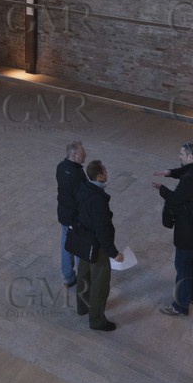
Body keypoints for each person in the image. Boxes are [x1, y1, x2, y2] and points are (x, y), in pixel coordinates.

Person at [154, 141, 193, 317]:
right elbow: (187, 171)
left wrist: (162, 189)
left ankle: (180, 305)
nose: (179, 156)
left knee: (183, 268)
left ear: (190, 156)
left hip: (187, 233)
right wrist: (170, 173)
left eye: (181, 154)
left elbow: (175, 199)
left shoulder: (189, 180)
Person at [73, 159, 118, 331]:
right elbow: (102, 230)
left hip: (84, 242)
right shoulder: (98, 199)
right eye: (105, 171)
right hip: (97, 246)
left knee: (83, 275)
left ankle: (82, 307)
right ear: (99, 177)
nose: (107, 172)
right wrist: (113, 252)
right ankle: (97, 320)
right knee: (100, 284)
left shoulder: (84, 188)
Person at [55, 140, 87, 288]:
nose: (85, 155)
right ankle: (83, 278)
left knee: (65, 244)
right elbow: (82, 196)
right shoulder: (77, 173)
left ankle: (68, 277)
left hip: (64, 214)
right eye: (82, 153)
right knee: (80, 247)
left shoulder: (61, 167)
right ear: (74, 155)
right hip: (76, 217)